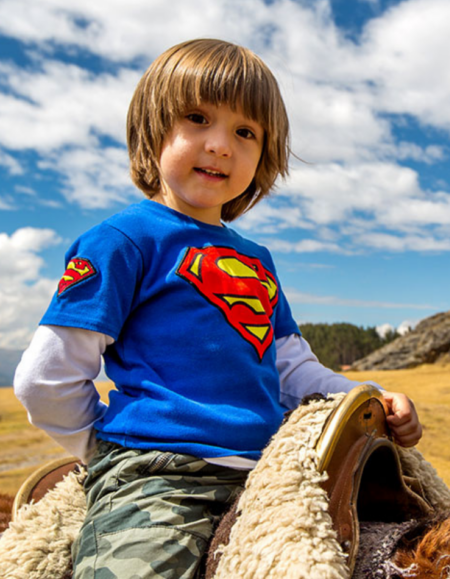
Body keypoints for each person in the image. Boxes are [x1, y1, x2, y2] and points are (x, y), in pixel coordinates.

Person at [13, 39, 422, 579]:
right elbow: (47, 378)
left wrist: (368, 398)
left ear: (263, 156)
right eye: (198, 118)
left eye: (245, 132)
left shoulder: (257, 259)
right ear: (153, 129)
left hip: (268, 470)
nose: (221, 145)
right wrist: (114, 445)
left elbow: (291, 367)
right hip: (158, 476)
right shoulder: (122, 241)